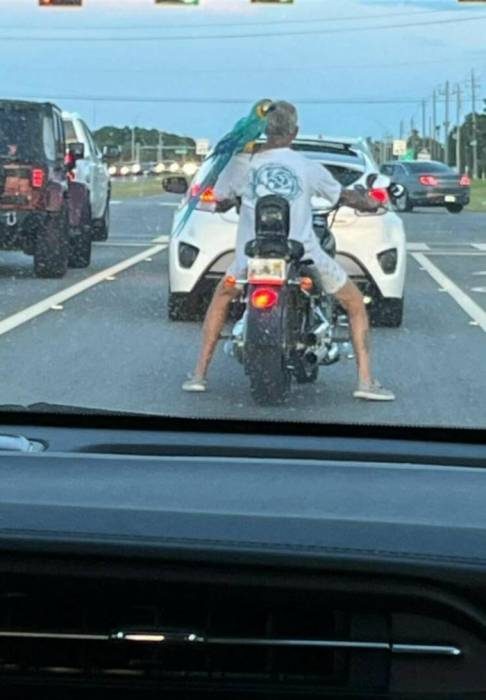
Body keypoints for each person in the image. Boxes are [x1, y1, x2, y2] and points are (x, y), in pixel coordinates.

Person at [183, 101, 395, 401]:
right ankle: (366, 382)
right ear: (294, 132)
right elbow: (344, 196)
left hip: (250, 258)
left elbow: (218, 200)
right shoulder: (307, 167)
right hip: (303, 254)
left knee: (222, 297)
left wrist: (231, 200)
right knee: (355, 303)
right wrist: (370, 202)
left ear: (264, 130)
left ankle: (199, 374)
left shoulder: (242, 164)